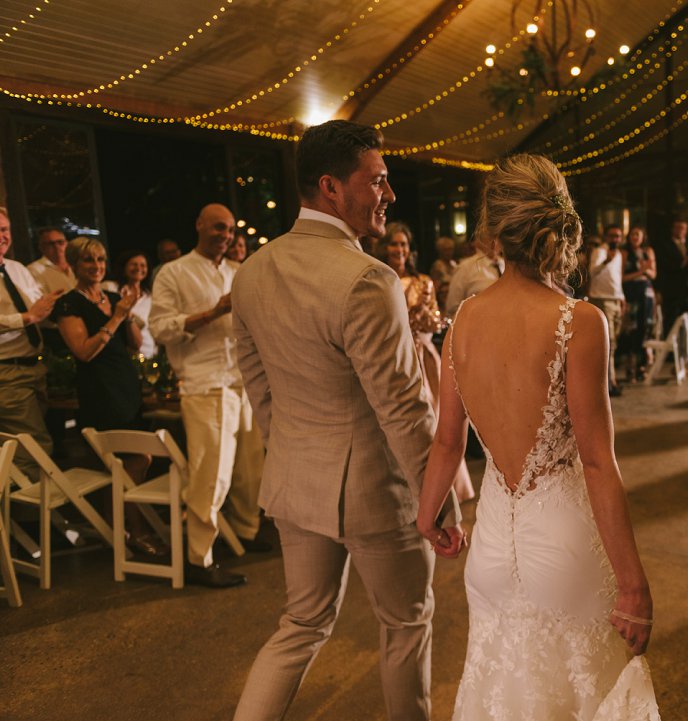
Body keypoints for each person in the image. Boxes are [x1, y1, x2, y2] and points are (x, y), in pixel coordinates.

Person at [231, 120, 462, 721]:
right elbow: (403, 406)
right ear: (331, 187)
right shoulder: (367, 279)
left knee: (301, 623)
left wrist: (289, 455)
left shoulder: (252, 271)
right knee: (406, 623)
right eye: (378, 181)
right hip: (375, 492)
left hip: (295, 482)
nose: (390, 194)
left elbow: (258, 386)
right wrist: (438, 501)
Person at [417, 154, 659, 721]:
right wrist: (633, 584)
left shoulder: (462, 323)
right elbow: (597, 462)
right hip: (563, 547)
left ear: (494, 232)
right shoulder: (580, 322)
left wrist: (428, 517)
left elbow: (447, 441)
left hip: (491, 552)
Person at [149, 203, 265, 588]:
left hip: (243, 381)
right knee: (210, 476)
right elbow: (160, 329)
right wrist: (213, 312)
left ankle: (246, 532)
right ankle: (199, 558)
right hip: (205, 384)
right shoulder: (174, 273)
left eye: (229, 230)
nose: (225, 236)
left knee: (251, 470)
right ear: (199, 225)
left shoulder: (238, 272)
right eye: (217, 227)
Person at [51, 237, 167, 557]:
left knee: (116, 467)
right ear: (74, 265)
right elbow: (83, 352)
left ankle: (115, 532)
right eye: (89, 261)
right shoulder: (69, 304)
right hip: (101, 391)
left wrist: (126, 314)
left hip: (126, 385)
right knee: (137, 459)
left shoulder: (114, 297)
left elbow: (134, 344)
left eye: (101, 260)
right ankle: (138, 532)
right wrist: (115, 317)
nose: (97, 267)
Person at [383, 222, 475, 502]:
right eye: (394, 244)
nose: (399, 249)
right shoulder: (379, 281)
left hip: (423, 357)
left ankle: (444, 488)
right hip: (392, 356)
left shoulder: (423, 282)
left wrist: (423, 314)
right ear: (384, 248)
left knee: (434, 419)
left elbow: (436, 322)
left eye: (403, 244)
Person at [0, 207, 64, 475]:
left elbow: (40, 311)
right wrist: (27, 317)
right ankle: (33, 504)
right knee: (34, 450)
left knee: (22, 451)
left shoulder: (16, 269)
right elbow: (31, 315)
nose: (2, 236)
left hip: (35, 367)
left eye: (4, 229)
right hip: (7, 373)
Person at [588, 224, 626, 396]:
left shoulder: (618, 254)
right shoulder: (600, 252)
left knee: (614, 343)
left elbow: (617, 278)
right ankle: (610, 384)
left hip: (615, 300)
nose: (615, 239)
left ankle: (611, 379)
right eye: (612, 236)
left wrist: (622, 297)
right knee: (608, 342)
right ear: (606, 236)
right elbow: (592, 272)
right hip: (602, 299)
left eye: (618, 236)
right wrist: (606, 261)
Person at [103, 249, 156, 359]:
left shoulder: (150, 297)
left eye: (143, 265)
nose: (138, 268)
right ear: (124, 267)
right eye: (134, 264)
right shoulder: (109, 288)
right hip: (120, 355)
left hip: (148, 354)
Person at [655, 218, 688, 335]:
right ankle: (671, 346)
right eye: (678, 228)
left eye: (683, 228)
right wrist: (684, 262)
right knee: (672, 321)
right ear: (673, 229)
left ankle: (687, 346)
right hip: (673, 290)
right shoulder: (665, 245)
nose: (681, 231)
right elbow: (664, 266)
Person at [622, 225, 657, 382]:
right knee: (631, 328)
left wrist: (646, 271)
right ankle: (630, 366)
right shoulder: (624, 253)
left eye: (638, 234)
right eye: (632, 234)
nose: (635, 237)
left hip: (646, 293)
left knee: (645, 327)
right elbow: (622, 277)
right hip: (631, 292)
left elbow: (653, 274)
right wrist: (641, 272)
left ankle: (642, 366)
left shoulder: (648, 251)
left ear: (643, 237)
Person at [444, 242, 504, 318]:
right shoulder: (466, 267)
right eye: (491, 236)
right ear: (477, 239)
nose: (495, 241)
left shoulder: (507, 265)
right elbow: (452, 307)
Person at [27, 227, 76, 296]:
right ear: (41, 247)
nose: (57, 246)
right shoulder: (34, 270)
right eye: (51, 244)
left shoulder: (77, 264)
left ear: (67, 243)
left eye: (60, 242)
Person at [428, 236, 458, 311]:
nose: (449, 252)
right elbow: (435, 287)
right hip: (443, 300)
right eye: (446, 250)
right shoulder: (438, 266)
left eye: (451, 249)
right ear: (440, 251)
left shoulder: (453, 264)